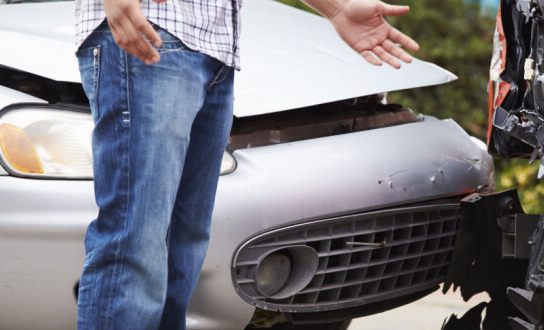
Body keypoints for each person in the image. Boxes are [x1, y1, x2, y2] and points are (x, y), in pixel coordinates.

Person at [73, 0, 419, 328]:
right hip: (149, 31)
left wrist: (338, 8)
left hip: (215, 52)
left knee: (182, 251)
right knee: (134, 246)